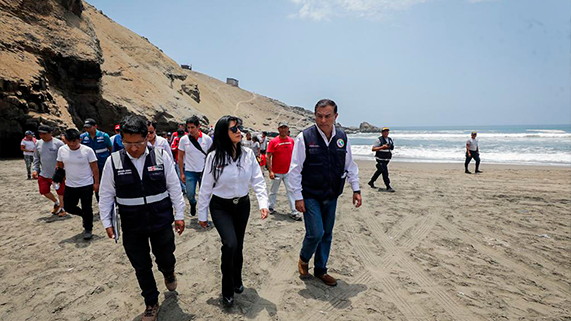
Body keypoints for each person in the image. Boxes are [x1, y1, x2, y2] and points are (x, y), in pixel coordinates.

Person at [99, 115, 185, 321]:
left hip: (161, 220)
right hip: (131, 224)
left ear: (147, 138)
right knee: (141, 265)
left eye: (137, 143)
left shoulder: (161, 156)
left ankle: (168, 271)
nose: (133, 148)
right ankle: (151, 302)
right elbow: (106, 194)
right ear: (121, 140)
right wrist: (107, 222)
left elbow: (174, 187)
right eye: (128, 143)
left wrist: (179, 215)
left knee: (165, 256)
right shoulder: (114, 161)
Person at [288, 99, 362, 286]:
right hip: (310, 194)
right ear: (315, 116)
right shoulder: (305, 137)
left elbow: (350, 166)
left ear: (335, 116)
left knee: (327, 234)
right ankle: (304, 259)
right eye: (319, 116)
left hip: (332, 194)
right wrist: (297, 197)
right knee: (316, 233)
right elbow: (295, 170)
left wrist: (356, 189)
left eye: (327, 116)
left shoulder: (342, 138)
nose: (323, 120)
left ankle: (321, 269)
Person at [197, 115, 269, 307]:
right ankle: (227, 289)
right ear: (223, 133)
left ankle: (237, 280)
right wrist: (202, 215)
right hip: (221, 206)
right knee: (230, 244)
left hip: (242, 206)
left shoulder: (248, 154)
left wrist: (263, 203)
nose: (239, 132)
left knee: (239, 246)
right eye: (234, 129)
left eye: (239, 128)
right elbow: (205, 188)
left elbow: (258, 180)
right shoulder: (214, 157)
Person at [57, 129, 99, 240]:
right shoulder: (62, 150)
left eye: (74, 141)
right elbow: (60, 165)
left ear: (79, 140)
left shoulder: (88, 151)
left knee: (87, 207)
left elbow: (94, 167)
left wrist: (96, 183)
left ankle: (88, 228)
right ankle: (84, 215)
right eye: (69, 141)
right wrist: (59, 177)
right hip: (70, 184)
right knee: (68, 207)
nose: (71, 144)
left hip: (86, 184)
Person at [178, 115, 213, 217]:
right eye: (188, 128)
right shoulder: (184, 140)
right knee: (189, 193)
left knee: (205, 195)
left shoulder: (207, 139)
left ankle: (204, 216)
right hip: (189, 171)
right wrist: (181, 173)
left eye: (192, 127)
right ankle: (193, 203)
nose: (190, 130)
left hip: (204, 171)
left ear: (198, 127)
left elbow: (212, 156)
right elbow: (180, 157)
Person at [267, 122, 301, 221]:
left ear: (288, 129)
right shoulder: (273, 141)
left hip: (288, 172)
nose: (283, 129)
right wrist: (270, 171)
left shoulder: (291, 141)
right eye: (281, 127)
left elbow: (295, 155)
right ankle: (270, 207)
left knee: (291, 191)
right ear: (278, 129)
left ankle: (294, 212)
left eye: (285, 127)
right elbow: (268, 156)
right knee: (273, 191)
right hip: (277, 171)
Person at [32, 125, 66, 216]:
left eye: (44, 134)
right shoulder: (38, 143)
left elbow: (65, 157)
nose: (42, 136)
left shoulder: (58, 144)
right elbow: (36, 158)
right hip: (44, 173)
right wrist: (35, 169)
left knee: (60, 192)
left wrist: (63, 171)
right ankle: (57, 202)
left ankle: (62, 209)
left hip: (57, 174)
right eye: (40, 134)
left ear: (50, 133)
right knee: (44, 191)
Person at [80, 118, 112, 199]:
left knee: (105, 184)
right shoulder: (83, 137)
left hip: (103, 164)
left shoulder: (104, 136)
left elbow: (110, 149)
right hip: (90, 166)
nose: (87, 129)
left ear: (95, 126)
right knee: (94, 185)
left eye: (89, 127)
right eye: (86, 127)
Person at [368, 127, 395, 192]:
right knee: (385, 172)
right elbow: (373, 149)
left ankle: (371, 182)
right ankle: (388, 186)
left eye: (387, 131)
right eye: (384, 131)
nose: (386, 133)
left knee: (380, 171)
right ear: (382, 133)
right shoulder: (379, 140)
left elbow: (391, 148)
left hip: (387, 159)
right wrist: (382, 147)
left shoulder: (390, 139)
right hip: (380, 159)